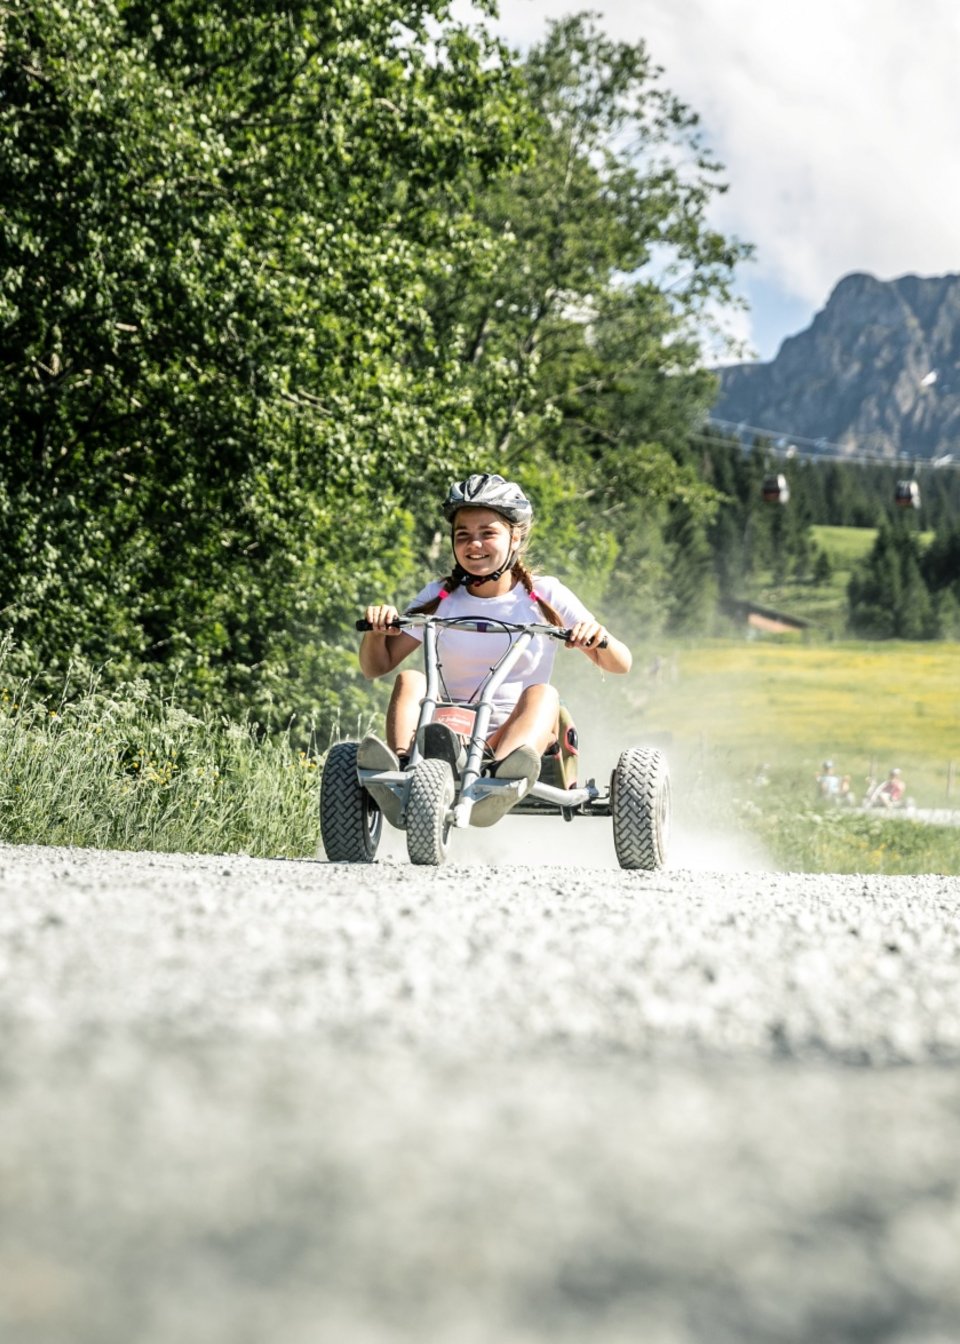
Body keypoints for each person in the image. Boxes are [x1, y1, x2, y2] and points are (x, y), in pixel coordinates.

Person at [357, 472, 632, 822]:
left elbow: (621, 663)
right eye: (463, 535)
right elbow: (374, 667)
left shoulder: (544, 596)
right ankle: (401, 770)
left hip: (515, 738)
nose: (474, 545)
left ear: (514, 537)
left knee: (544, 695)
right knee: (411, 679)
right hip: (445, 733)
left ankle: (497, 776)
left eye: (488, 533)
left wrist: (598, 636)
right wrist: (377, 631)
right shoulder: (439, 596)